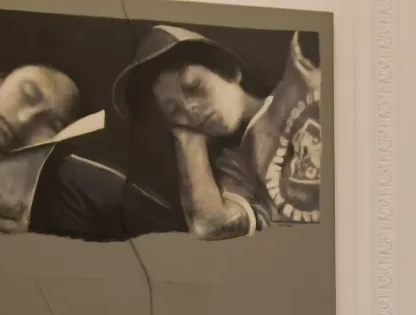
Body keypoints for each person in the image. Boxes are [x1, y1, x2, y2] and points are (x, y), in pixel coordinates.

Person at [112, 24, 324, 240]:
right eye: (174, 111)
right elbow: (210, 225)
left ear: (231, 71)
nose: (190, 110)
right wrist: (186, 140)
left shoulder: (301, 74)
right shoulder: (236, 168)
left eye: (194, 87)